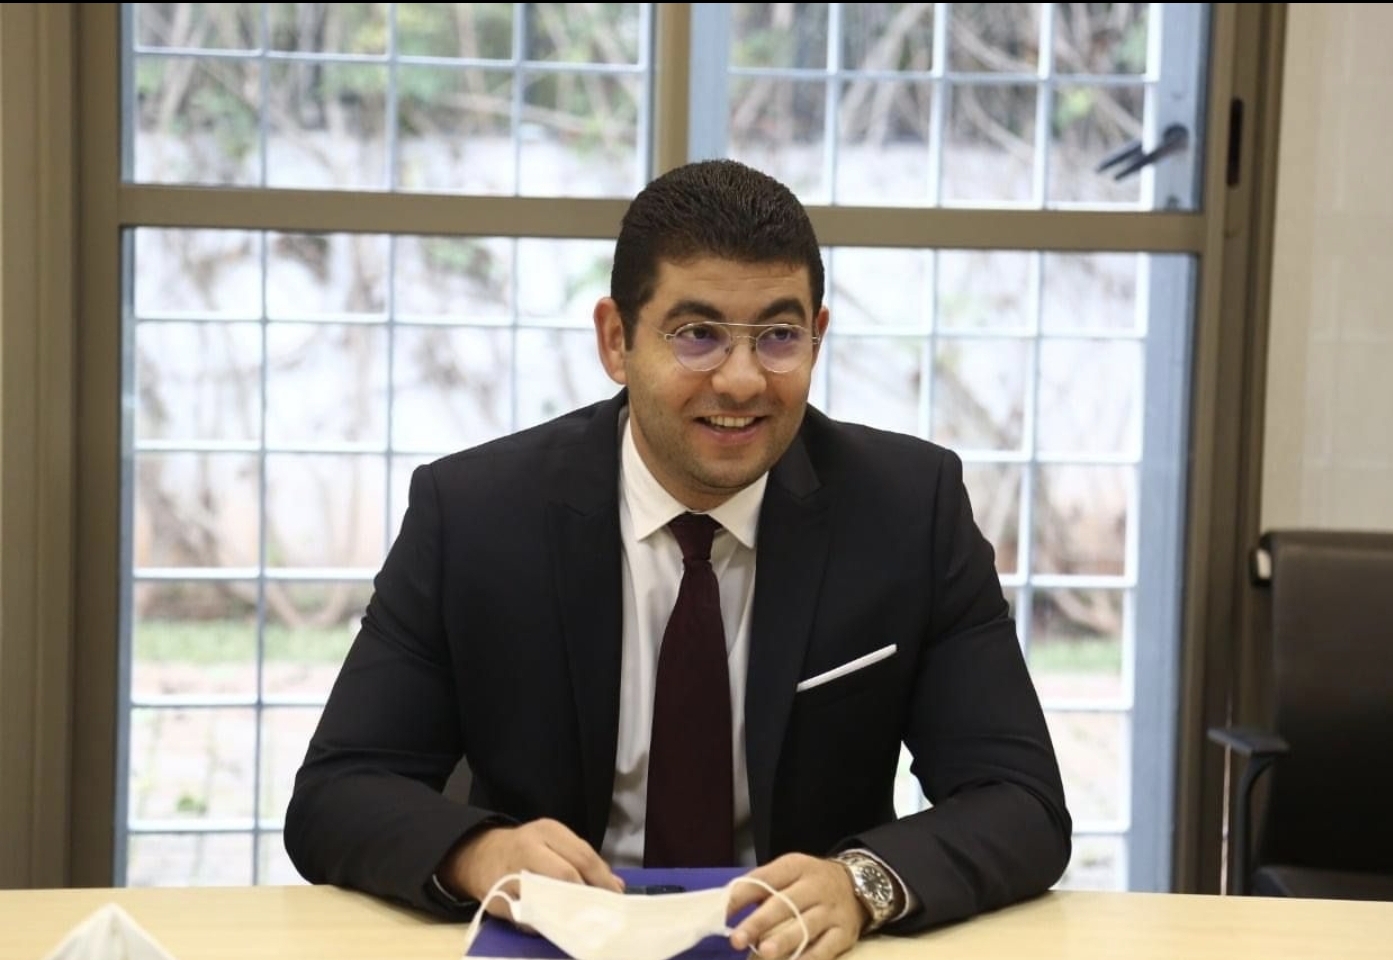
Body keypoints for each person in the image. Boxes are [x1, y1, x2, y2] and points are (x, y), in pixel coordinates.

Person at [284, 158, 1071, 960]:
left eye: (778, 337)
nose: (741, 380)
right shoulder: (476, 515)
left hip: (799, 948)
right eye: (697, 336)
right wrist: (479, 853)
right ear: (616, 340)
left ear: (817, 337)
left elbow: (1021, 801)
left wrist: (861, 882)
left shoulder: (908, 510)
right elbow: (338, 792)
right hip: (555, 943)